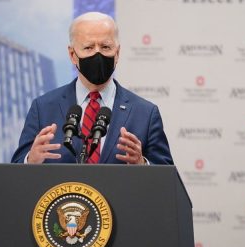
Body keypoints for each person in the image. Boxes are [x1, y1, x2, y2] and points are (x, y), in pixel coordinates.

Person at [11, 12, 173, 165]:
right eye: (88, 47)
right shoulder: (43, 108)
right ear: (72, 54)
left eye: (105, 47)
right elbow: (15, 174)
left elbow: (166, 180)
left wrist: (142, 164)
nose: (98, 54)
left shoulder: (145, 113)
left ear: (117, 53)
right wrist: (30, 161)